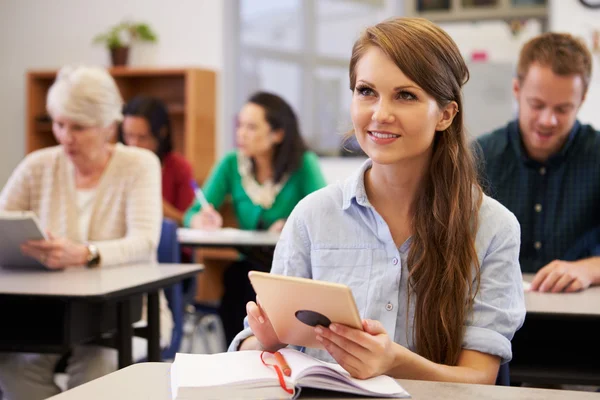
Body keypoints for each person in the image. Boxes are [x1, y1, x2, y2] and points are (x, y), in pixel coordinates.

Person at [229, 17, 526, 384]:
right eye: (366, 91)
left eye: (405, 95)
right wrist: (267, 342)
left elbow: (478, 379)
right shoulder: (313, 216)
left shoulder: (492, 227)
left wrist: (393, 361)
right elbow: (249, 346)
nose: (379, 114)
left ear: (446, 115)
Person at [0, 66, 172, 400]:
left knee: (97, 371)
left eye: (79, 127)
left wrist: (86, 253)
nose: (65, 136)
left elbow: (145, 240)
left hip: (125, 313)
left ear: (110, 125)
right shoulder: (37, 166)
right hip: (51, 313)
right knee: (14, 367)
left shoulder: (139, 165)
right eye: (59, 123)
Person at [183, 91, 327, 345]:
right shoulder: (231, 163)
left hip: (293, 272)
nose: (241, 134)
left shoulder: (304, 164)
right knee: (236, 282)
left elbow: (325, 216)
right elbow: (192, 213)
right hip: (249, 268)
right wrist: (201, 220)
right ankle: (237, 354)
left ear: (278, 134)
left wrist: (293, 224)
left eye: (251, 127)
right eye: (239, 125)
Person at [476, 33, 600, 293]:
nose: (547, 120)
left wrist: (589, 269)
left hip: (583, 316)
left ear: (582, 99)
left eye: (562, 109)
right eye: (537, 105)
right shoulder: (479, 156)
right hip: (494, 312)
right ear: (517, 90)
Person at [120, 95, 195, 227]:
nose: (134, 144)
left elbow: (187, 220)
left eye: (142, 137)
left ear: (161, 133)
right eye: (128, 135)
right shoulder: (115, 163)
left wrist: (153, 203)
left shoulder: (178, 167)